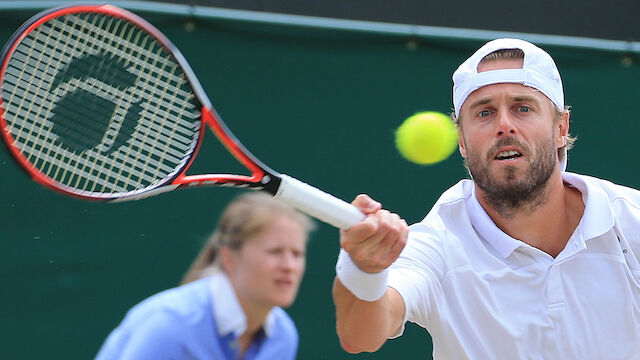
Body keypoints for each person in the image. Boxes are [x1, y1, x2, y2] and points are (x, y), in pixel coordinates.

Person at [333, 38, 640, 359]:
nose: (504, 126)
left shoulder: (630, 221)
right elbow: (361, 336)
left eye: (523, 108)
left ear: (560, 127)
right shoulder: (438, 243)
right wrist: (365, 268)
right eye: (484, 113)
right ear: (462, 141)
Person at [96, 192, 314, 360]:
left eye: (297, 254)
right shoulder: (170, 325)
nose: (289, 266)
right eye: (275, 252)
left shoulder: (283, 337)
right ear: (229, 258)